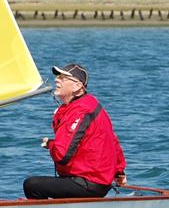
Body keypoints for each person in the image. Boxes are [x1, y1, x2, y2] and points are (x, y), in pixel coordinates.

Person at [23, 63, 127, 199]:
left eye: (63, 78)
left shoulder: (80, 110)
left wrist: (50, 144)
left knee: (32, 185)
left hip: (89, 182)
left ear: (77, 86)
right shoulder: (89, 105)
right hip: (94, 180)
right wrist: (119, 173)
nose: (56, 80)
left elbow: (62, 155)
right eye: (57, 77)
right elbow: (112, 141)